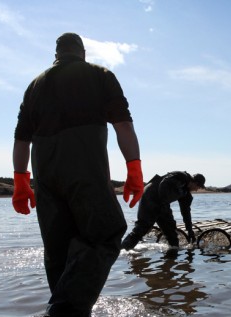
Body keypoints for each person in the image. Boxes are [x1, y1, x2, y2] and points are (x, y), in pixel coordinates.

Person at [11, 32, 144, 317]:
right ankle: (63, 310)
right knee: (107, 233)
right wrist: (134, 167)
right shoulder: (100, 75)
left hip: (44, 172)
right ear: (82, 52)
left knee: (58, 249)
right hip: (83, 165)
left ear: (56, 54)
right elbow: (123, 125)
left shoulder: (34, 85)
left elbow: (21, 140)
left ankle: (66, 309)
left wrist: (21, 182)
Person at [121, 171, 205, 250]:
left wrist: (190, 230)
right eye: (199, 187)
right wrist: (161, 204)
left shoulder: (186, 195)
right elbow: (163, 184)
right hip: (150, 196)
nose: (197, 190)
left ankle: (171, 258)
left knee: (171, 231)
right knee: (142, 228)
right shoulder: (181, 177)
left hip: (162, 204)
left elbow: (186, 212)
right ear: (195, 183)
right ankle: (121, 250)